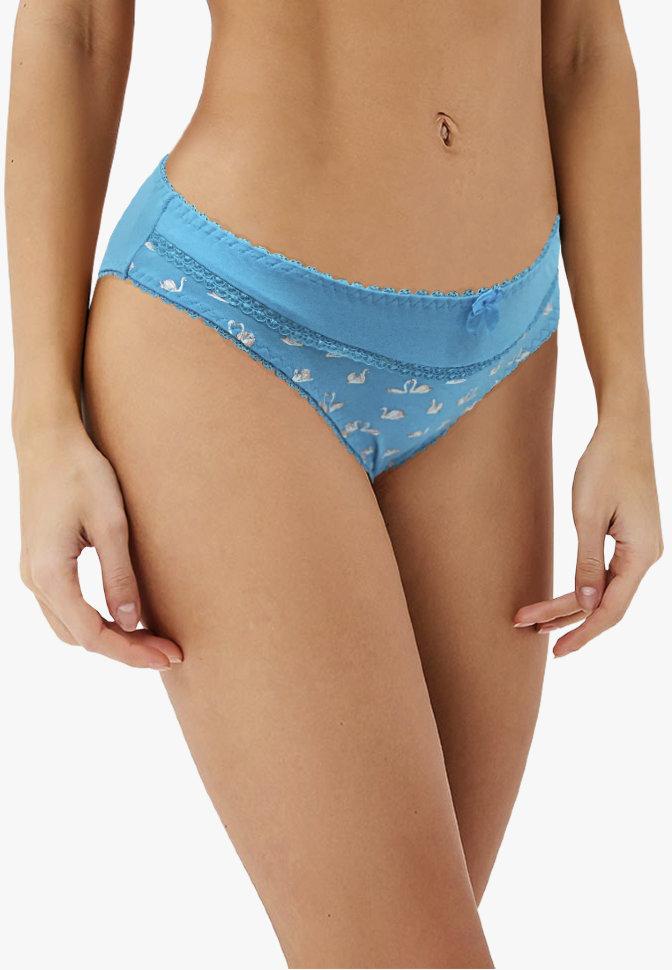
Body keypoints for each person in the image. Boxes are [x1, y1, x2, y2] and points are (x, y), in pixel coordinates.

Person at [6, 2, 663, 967]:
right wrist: (41, 426)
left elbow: (579, 45)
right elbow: (78, 28)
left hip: (500, 364)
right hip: (234, 331)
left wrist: (628, 410)